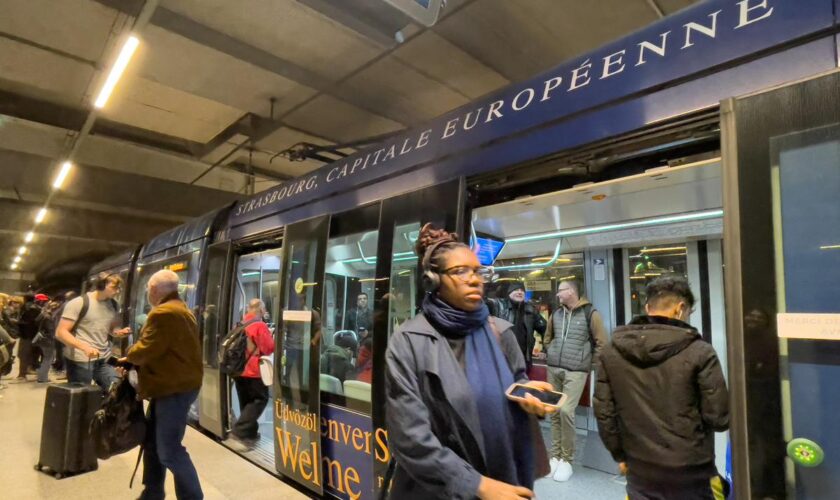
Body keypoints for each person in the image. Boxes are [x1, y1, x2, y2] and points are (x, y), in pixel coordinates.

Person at [385, 223, 555, 500]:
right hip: (439, 491)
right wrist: (479, 485)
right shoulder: (409, 341)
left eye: (478, 271)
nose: (475, 279)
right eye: (460, 271)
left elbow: (517, 380)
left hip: (505, 481)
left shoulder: (500, 331)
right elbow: (409, 438)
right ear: (433, 280)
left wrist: (528, 395)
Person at [594, 276, 729, 500]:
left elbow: (604, 412)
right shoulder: (700, 352)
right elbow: (719, 418)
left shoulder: (611, 351)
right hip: (692, 472)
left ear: (648, 308)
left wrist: (620, 455)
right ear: (681, 309)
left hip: (639, 470)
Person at [120, 270, 203, 500]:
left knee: (169, 449)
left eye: (148, 288)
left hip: (172, 389)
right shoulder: (181, 308)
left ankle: (192, 497)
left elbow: (146, 349)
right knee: (153, 444)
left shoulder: (163, 313)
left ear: (155, 289)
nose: (147, 292)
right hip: (172, 385)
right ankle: (153, 492)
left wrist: (129, 355)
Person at [541, 279, 608, 482]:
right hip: (554, 368)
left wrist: (589, 364)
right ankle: (555, 456)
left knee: (566, 411)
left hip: (576, 371)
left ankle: (567, 459)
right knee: (552, 412)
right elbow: (547, 337)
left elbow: (602, 343)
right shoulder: (557, 314)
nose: (558, 294)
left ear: (571, 291)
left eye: (561, 290)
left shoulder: (590, 314)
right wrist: (550, 351)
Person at [56, 273, 130, 391]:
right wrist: (84, 347)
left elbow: (111, 328)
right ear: (101, 285)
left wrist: (118, 332)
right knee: (82, 398)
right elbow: (61, 332)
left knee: (115, 390)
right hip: (81, 359)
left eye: (119, 288)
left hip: (104, 358)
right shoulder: (79, 303)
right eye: (114, 287)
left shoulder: (114, 305)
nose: (117, 291)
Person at [232, 298, 274, 442]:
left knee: (246, 401)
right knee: (260, 399)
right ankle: (240, 429)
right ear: (261, 310)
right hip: (253, 370)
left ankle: (249, 433)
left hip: (237, 369)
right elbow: (268, 348)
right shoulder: (260, 325)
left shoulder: (239, 324)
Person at [487, 282, 546, 370]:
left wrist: (545, 350)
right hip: (502, 359)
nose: (519, 292)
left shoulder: (530, 310)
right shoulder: (498, 305)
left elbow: (545, 329)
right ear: (509, 293)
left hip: (523, 360)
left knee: (522, 383)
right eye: (516, 290)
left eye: (522, 290)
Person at [16, 293, 42, 380]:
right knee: (29, 353)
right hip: (32, 335)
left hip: (27, 335)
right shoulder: (36, 308)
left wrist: (18, 322)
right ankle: (27, 370)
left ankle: (22, 374)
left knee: (23, 354)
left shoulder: (29, 309)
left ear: (26, 299)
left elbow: (30, 323)